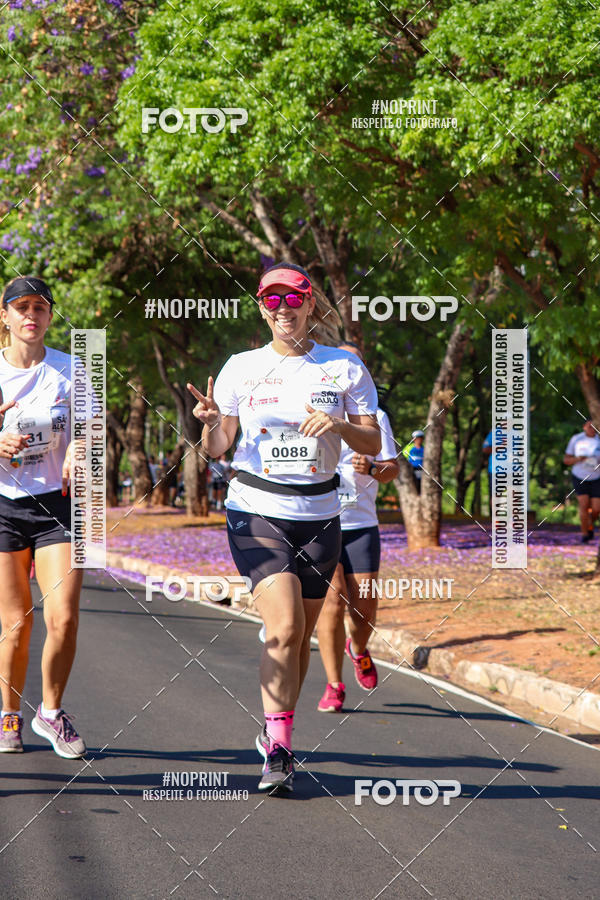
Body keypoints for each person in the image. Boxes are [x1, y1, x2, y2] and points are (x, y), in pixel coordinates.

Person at [187, 262, 380, 792]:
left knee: (300, 644)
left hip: (321, 515)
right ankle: (279, 748)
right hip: (256, 509)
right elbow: (219, 449)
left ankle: (278, 732)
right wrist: (209, 426)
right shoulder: (241, 368)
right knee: (287, 628)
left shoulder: (342, 368)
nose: (282, 310)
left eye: (292, 300)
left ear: (310, 304)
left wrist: (340, 425)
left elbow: (372, 445)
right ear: (260, 308)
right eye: (271, 302)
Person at [0, 276, 86, 758]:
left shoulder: (71, 371)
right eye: (21, 307)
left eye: (41, 307)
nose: (31, 315)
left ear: (50, 316)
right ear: (5, 316)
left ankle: (51, 712)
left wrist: (78, 447)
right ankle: (8, 714)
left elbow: (92, 429)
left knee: (65, 617)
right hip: (3, 506)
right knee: (16, 624)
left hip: (56, 504)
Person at [316, 343, 399, 712]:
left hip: (361, 523)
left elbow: (392, 470)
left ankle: (358, 648)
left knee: (363, 608)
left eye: (352, 365)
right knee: (331, 603)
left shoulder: (376, 416)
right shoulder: (310, 410)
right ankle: (334, 685)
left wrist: (373, 469)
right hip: (319, 520)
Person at [564, 420, 600, 542]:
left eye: (594, 426)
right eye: (589, 426)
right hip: (579, 476)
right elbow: (566, 460)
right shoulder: (576, 439)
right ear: (584, 427)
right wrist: (579, 458)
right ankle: (585, 534)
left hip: (596, 477)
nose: (592, 428)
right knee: (583, 505)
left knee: (596, 509)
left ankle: (589, 524)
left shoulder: (599, 439)